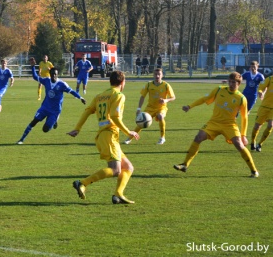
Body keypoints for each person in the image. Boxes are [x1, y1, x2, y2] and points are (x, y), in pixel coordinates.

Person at [67, 71, 140, 204]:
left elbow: (87, 111)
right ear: (123, 82)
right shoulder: (118, 95)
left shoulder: (100, 96)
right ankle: (82, 183)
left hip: (105, 136)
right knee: (115, 169)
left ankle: (118, 194)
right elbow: (114, 116)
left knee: (128, 167)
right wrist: (128, 132)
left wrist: (77, 128)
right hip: (109, 136)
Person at [173, 72, 259, 178]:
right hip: (214, 122)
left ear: (239, 83)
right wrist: (189, 106)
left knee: (239, 145)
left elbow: (244, 117)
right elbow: (205, 99)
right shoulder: (219, 90)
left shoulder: (241, 98)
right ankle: (185, 164)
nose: (231, 84)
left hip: (229, 125)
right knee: (198, 137)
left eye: (234, 82)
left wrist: (243, 135)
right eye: (230, 81)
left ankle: (254, 170)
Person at [17, 58, 86, 144]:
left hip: (55, 111)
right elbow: (35, 77)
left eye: (55, 74)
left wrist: (80, 98)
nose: (54, 76)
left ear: (57, 75)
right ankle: (21, 139)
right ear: (50, 74)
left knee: (45, 129)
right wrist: (33, 66)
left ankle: (54, 120)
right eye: (52, 74)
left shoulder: (62, 84)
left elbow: (72, 91)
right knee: (34, 121)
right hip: (45, 107)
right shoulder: (46, 81)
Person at [124, 68, 175, 145]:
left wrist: (165, 100)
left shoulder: (166, 85)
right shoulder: (148, 85)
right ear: (153, 75)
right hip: (150, 108)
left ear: (162, 75)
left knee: (161, 116)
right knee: (141, 121)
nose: (157, 76)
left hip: (161, 108)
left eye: (159, 74)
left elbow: (173, 97)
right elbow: (142, 97)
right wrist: (138, 108)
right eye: (155, 74)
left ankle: (162, 138)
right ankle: (129, 138)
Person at [250, 74, 273, 152]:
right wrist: (260, 92)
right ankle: (253, 142)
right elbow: (261, 88)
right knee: (257, 126)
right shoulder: (269, 79)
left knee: (270, 125)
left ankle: (260, 144)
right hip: (264, 107)